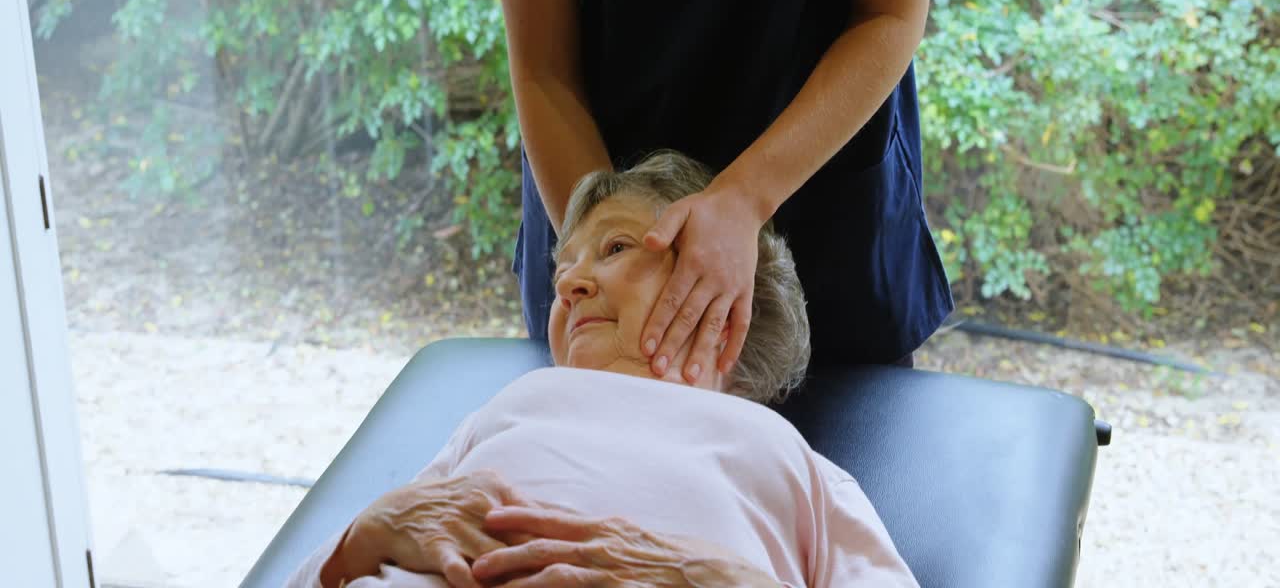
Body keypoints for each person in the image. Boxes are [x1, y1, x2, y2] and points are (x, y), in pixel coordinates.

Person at [287, 153, 918, 588]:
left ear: (730, 297)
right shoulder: (509, 408)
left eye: (615, 248)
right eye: (563, 268)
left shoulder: (794, 463)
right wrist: (368, 532)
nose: (567, 283)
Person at [461, 0, 958, 387]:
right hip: (591, 160)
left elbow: (889, 13)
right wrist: (606, 245)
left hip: (819, 188)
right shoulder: (583, 293)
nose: (573, 285)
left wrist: (745, 198)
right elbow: (545, 71)